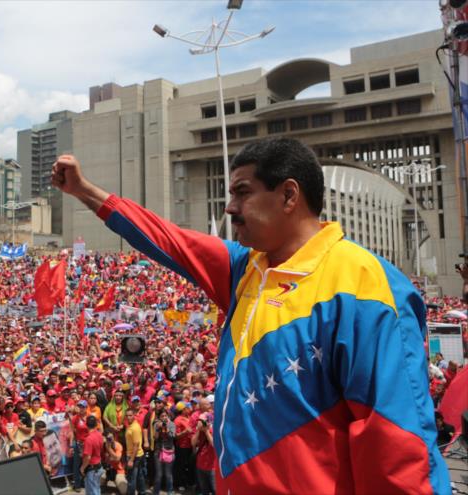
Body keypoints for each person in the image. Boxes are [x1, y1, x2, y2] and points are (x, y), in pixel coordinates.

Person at [52, 138, 450, 493]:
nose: (230, 207)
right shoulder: (245, 270)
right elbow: (166, 239)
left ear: (289, 196)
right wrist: (85, 192)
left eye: (243, 192)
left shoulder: (366, 286)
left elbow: (399, 449)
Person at [80, 416, 105, 495]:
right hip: (98, 466)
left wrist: (82, 468)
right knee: (96, 489)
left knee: (93, 492)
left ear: (86, 425)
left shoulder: (89, 439)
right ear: (95, 424)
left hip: (92, 469)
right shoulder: (99, 434)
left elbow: (88, 457)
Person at [123, 409, 145, 495]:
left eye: (130, 415)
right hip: (137, 455)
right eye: (127, 415)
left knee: (131, 478)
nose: (128, 417)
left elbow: (136, 445)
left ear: (134, 416)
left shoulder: (135, 428)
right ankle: (142, 492)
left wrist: (131, 460)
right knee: (139, 476)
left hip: (134, 456)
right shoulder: (131, 425)